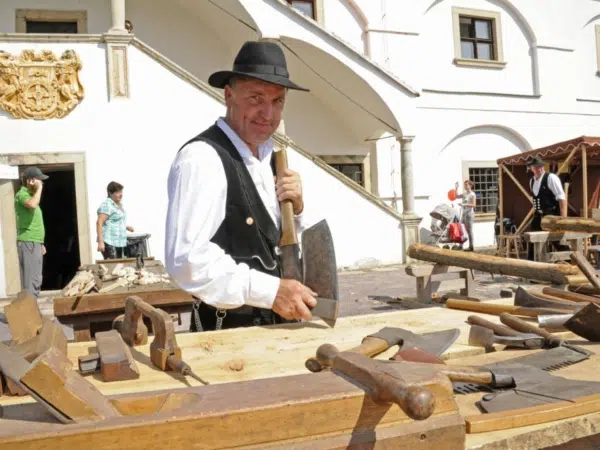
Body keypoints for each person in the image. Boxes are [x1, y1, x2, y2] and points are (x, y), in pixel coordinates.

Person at [165, 40, 317, 332]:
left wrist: (296, 212)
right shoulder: (201, 158)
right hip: (227, 338)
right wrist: (268, 291)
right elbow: (187, 262)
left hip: (278, 331)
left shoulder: (272, 159)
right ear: (229, 95)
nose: (268, 114)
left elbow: (271, 246)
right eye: (256, 98)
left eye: (277, 101)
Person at [14, 167, 48, 298]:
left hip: (34, 242)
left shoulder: (29, 195)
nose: (42, 183)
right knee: (31, 281)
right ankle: (29, 314)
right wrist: (39, 189)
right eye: (39, 180)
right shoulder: (22, 194)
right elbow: (32, 204)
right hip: (28, 242)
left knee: (36, 279)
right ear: (30, 181)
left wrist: (40, 243)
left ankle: (30, 312)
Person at [527, 155, 567, 260]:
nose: (538, 169)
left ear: (543, 167)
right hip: (538, 215)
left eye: (540, 166)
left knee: (557, 242)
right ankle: (532, 268)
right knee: (532, 241)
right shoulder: (531, 181)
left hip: (551, 216)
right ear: (531, 168)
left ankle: (572, 261)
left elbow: (562, 198)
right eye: (535, 167)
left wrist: (563, 220)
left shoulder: (551, 178)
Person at [96, 181, 134, 259]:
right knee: (113, 267)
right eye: (117, 192)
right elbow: (99, 223)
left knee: (118, 266)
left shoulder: (118, 204)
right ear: (110, 193)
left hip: (118, 242)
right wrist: (100, 242)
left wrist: (126, 227)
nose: (121, 194)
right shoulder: (107, 205)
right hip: (109, 242)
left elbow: (113, 220)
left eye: (121, 192)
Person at [455, 180, 476, 251]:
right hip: (464, 213)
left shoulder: (472, 194)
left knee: (469, 230)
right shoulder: (465, 193)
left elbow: (474, 205)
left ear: (470, 185)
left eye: (466, 184)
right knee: (461, 229)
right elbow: (456, 196)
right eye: (464, 185)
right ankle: (461, 245)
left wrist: (464, 204)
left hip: (469, 214)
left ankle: (471, 246)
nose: (465, 186)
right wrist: (456, 188)